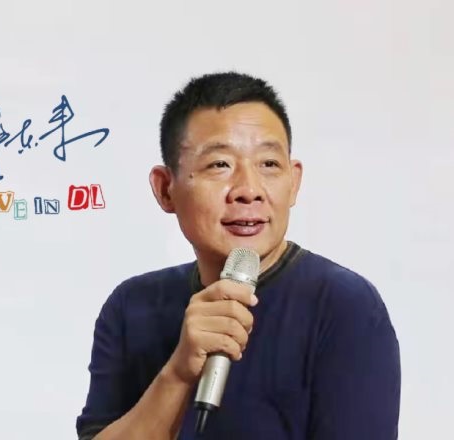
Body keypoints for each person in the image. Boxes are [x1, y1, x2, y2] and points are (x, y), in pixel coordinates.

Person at [76, 72, 401, 439]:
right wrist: (179, 373)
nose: (249, 190)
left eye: (269, 164)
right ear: (166, 189)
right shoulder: (131, 306)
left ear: (294, 182)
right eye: (220, 164)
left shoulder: (345, 305)